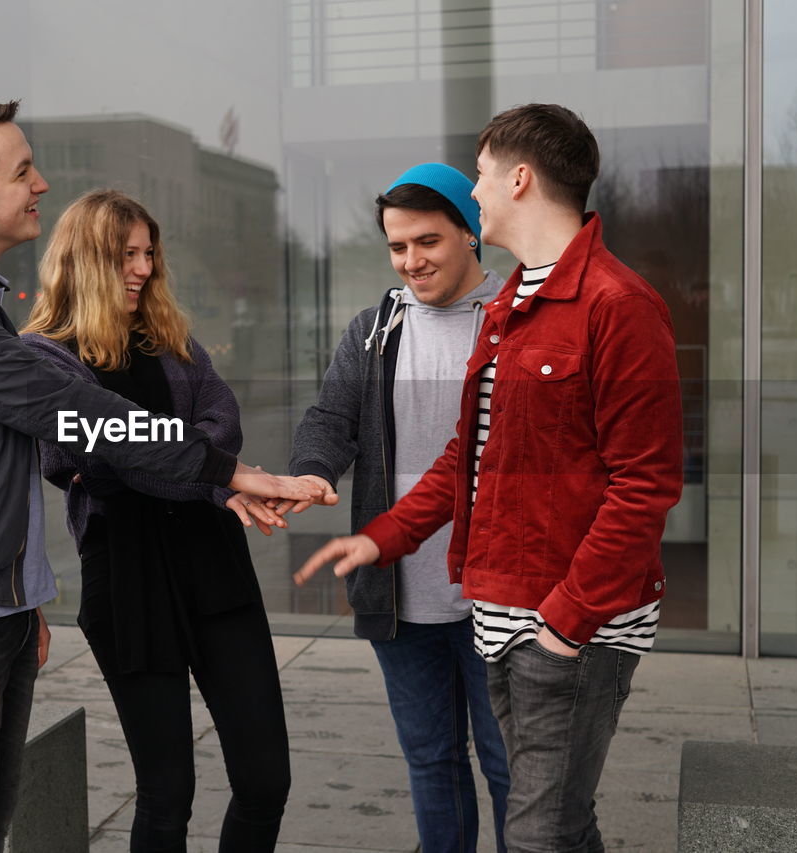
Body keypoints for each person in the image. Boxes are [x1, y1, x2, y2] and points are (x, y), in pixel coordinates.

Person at [0, 100, 318, 853]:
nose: (41, 184)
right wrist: (227, 472)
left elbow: (12, 460)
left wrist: (23, 587)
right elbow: (74, 419)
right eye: (23, 170)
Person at [294, 104, 683, 851]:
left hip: (562, 620)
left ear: (520, 176)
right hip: (504, 610)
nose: (475, 191)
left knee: (536, 828)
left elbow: (645, 487)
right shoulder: (518, 299)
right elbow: (470, 459)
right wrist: (382, 538)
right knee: (558, 820)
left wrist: (565, 624)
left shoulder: (617, 303)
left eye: (478, 176)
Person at [21, 189, 294, 853]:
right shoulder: (44, 357)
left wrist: (185, 460)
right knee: (167, 792)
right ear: (86, 259)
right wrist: (201, 464)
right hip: (128, 574)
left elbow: (220, 422)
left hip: (214, 563)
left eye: (148, 253)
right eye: (125, 255)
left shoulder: (172, 340)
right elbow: (102, 456)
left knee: (266, 778)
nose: (142, 268)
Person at [287, 163, 510, 852]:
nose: (411, 261)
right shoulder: (374, 329)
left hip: (497, 599)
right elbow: (331, 419)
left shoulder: (513, 321)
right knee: (432, 763)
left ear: (471, 234)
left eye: (428, 241)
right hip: (399, 599)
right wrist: (308, 474)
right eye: (397, 246)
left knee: (512, 770)